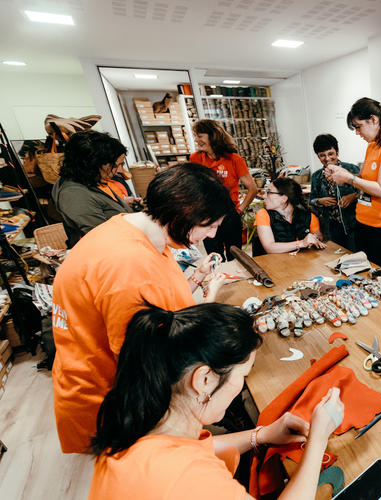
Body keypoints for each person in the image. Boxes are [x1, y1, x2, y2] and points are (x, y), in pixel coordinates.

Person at [52, 163, 233, 454]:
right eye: (209, 226)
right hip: (115, 400)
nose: (211, 236)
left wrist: (198, 280)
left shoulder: (132, 229)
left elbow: (159, 302)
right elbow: (153, 358)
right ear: (183, 215)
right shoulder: (130, 266)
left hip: (100, 380)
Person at [90, 303, 344, 500]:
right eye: (242, 376)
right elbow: (186, 470)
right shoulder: (187, 477)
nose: (240, 386)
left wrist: (261, 435)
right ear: (204, 380)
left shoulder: (139, 417)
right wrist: (319, 437)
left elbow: (198, 449)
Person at [325, 97, 381, 271]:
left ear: (373, 120)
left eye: (358, 126)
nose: (357, 133)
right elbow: (366, 181)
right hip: (364, 224)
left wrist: (348, 178)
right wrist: (344, 174)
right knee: (364, 276)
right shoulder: (372, 146)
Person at [52, 130, 141, 247]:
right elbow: (105, 239)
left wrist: (123, 204)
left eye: (121, 164)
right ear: (92, 164)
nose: (120, 171)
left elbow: (97, 205)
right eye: (116, 165)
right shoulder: (74, 195)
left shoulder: (89, 181)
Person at [190, 119, 258, 260]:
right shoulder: (195, 158)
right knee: (214, 256)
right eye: (195, 136)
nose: (196, 140)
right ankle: (218, 280)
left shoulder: (234, 159)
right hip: (206, 215)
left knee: (235, 255)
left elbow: (252, 188)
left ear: (212, 136)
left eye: (200, 136)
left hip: (229, 215)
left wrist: (239, 210)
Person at [309, 133, 360, 251]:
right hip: (330, 227)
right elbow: (311, 200)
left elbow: (366, 192)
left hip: (353, 224)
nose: (327, 158)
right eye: (322, 155)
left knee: (355, 255)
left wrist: (353, 196)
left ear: (337, 151)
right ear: (318, 156)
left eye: (330, 153)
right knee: (335, 256)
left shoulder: (352, 169)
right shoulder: (316, 177)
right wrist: (319, 201)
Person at [253, 177, 326, 254]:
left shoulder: (309, 216)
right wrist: (302, 243)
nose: (264, 196)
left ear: (284, 198)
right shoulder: (263, 215)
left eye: (269, 192)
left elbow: (319, 236)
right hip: (271, 263)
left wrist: (315, 239)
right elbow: (269, 247)